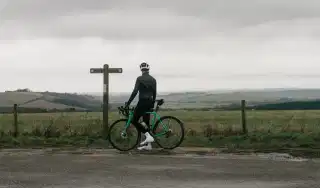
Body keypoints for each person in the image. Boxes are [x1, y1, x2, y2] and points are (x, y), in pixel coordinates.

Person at [125, 62, 157, 150]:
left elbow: (135, 92)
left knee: (134, 120)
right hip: (150, 102)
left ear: (141, 69)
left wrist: (128, 103)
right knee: (146, 123)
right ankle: (149, 145)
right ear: (148, 69)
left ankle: (148, 136)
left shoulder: (139, 78)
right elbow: (154, 93)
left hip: (142, 102)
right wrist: (152, 104)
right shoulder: (153, 79)